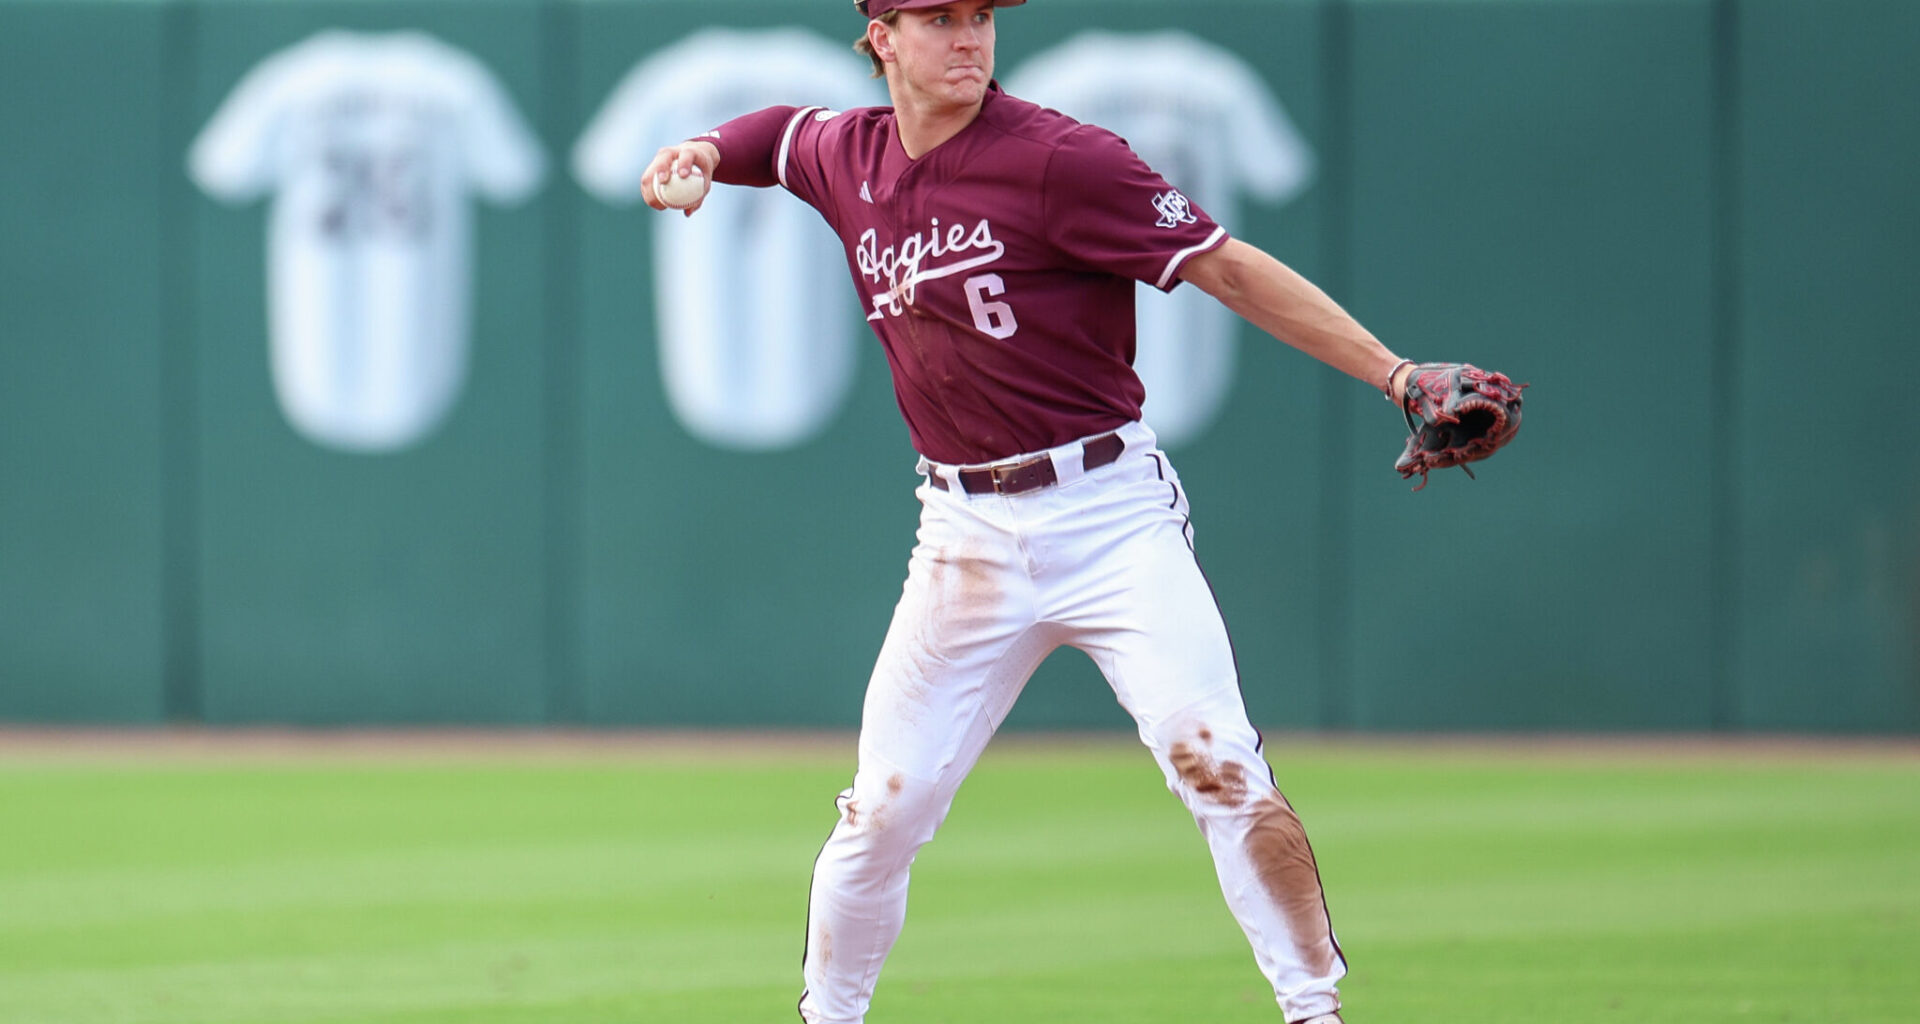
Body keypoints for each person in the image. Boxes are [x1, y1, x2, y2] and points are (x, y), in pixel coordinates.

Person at [641, 3, 1420, 1021]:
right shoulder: (850, 155)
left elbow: (1227, 265)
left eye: (979, 17)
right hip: (962, 537)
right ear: (881, 36)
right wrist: (700, 147)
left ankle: (1315, 1010)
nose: (968, 37)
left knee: (1220, 766)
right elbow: (779, 138)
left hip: (1108, 518)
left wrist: (1395, 373)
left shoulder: (1063, 160)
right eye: (937, 18)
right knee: (883, 810)